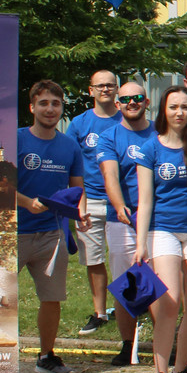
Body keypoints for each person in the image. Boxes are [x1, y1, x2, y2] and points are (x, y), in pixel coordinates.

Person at [131, 86, 187, 373]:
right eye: (173, 107)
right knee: (169, 301)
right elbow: (145, 201)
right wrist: (141, 243)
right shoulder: (150, 148)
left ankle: (181, 369)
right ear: (163, 111)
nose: (179, 112)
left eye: (185, 107)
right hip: (163, 230)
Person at [17, 80, 88, 373]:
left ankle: (46, 356)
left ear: (61, 109)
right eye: (43, 103)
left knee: (51, 298)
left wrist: (81, 214)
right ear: (32, 107)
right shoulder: (16, 139)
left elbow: (77, 189)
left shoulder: (69, 146)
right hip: (13, 233)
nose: (50, 109)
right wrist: (26, 202)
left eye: (56, 104)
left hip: (52, 234)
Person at [95, 81, 155, 365]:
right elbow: (110, 176)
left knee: (159, 283)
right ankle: (128, 345)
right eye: (126, 99)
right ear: (118, 104)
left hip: (158, 220)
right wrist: (120, 207)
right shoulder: (109, 137)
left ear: (147, 102)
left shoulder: (161, 132)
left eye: (138, 97)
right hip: (122, 221)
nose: (133, 102)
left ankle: (162, 342)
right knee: (126, 285)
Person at [67, 69, 119, 336]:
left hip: (121, 202)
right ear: (91, 90)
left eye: (110, 85)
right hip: (90, 201)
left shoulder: (127, 118)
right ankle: (100, 313)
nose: (105, 89)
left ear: (117, 88)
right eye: (100, 86)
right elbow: (71, 163)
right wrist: (79, 203)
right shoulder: (79, 123)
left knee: (126, 259)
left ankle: (128, 307)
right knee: (93, 259)